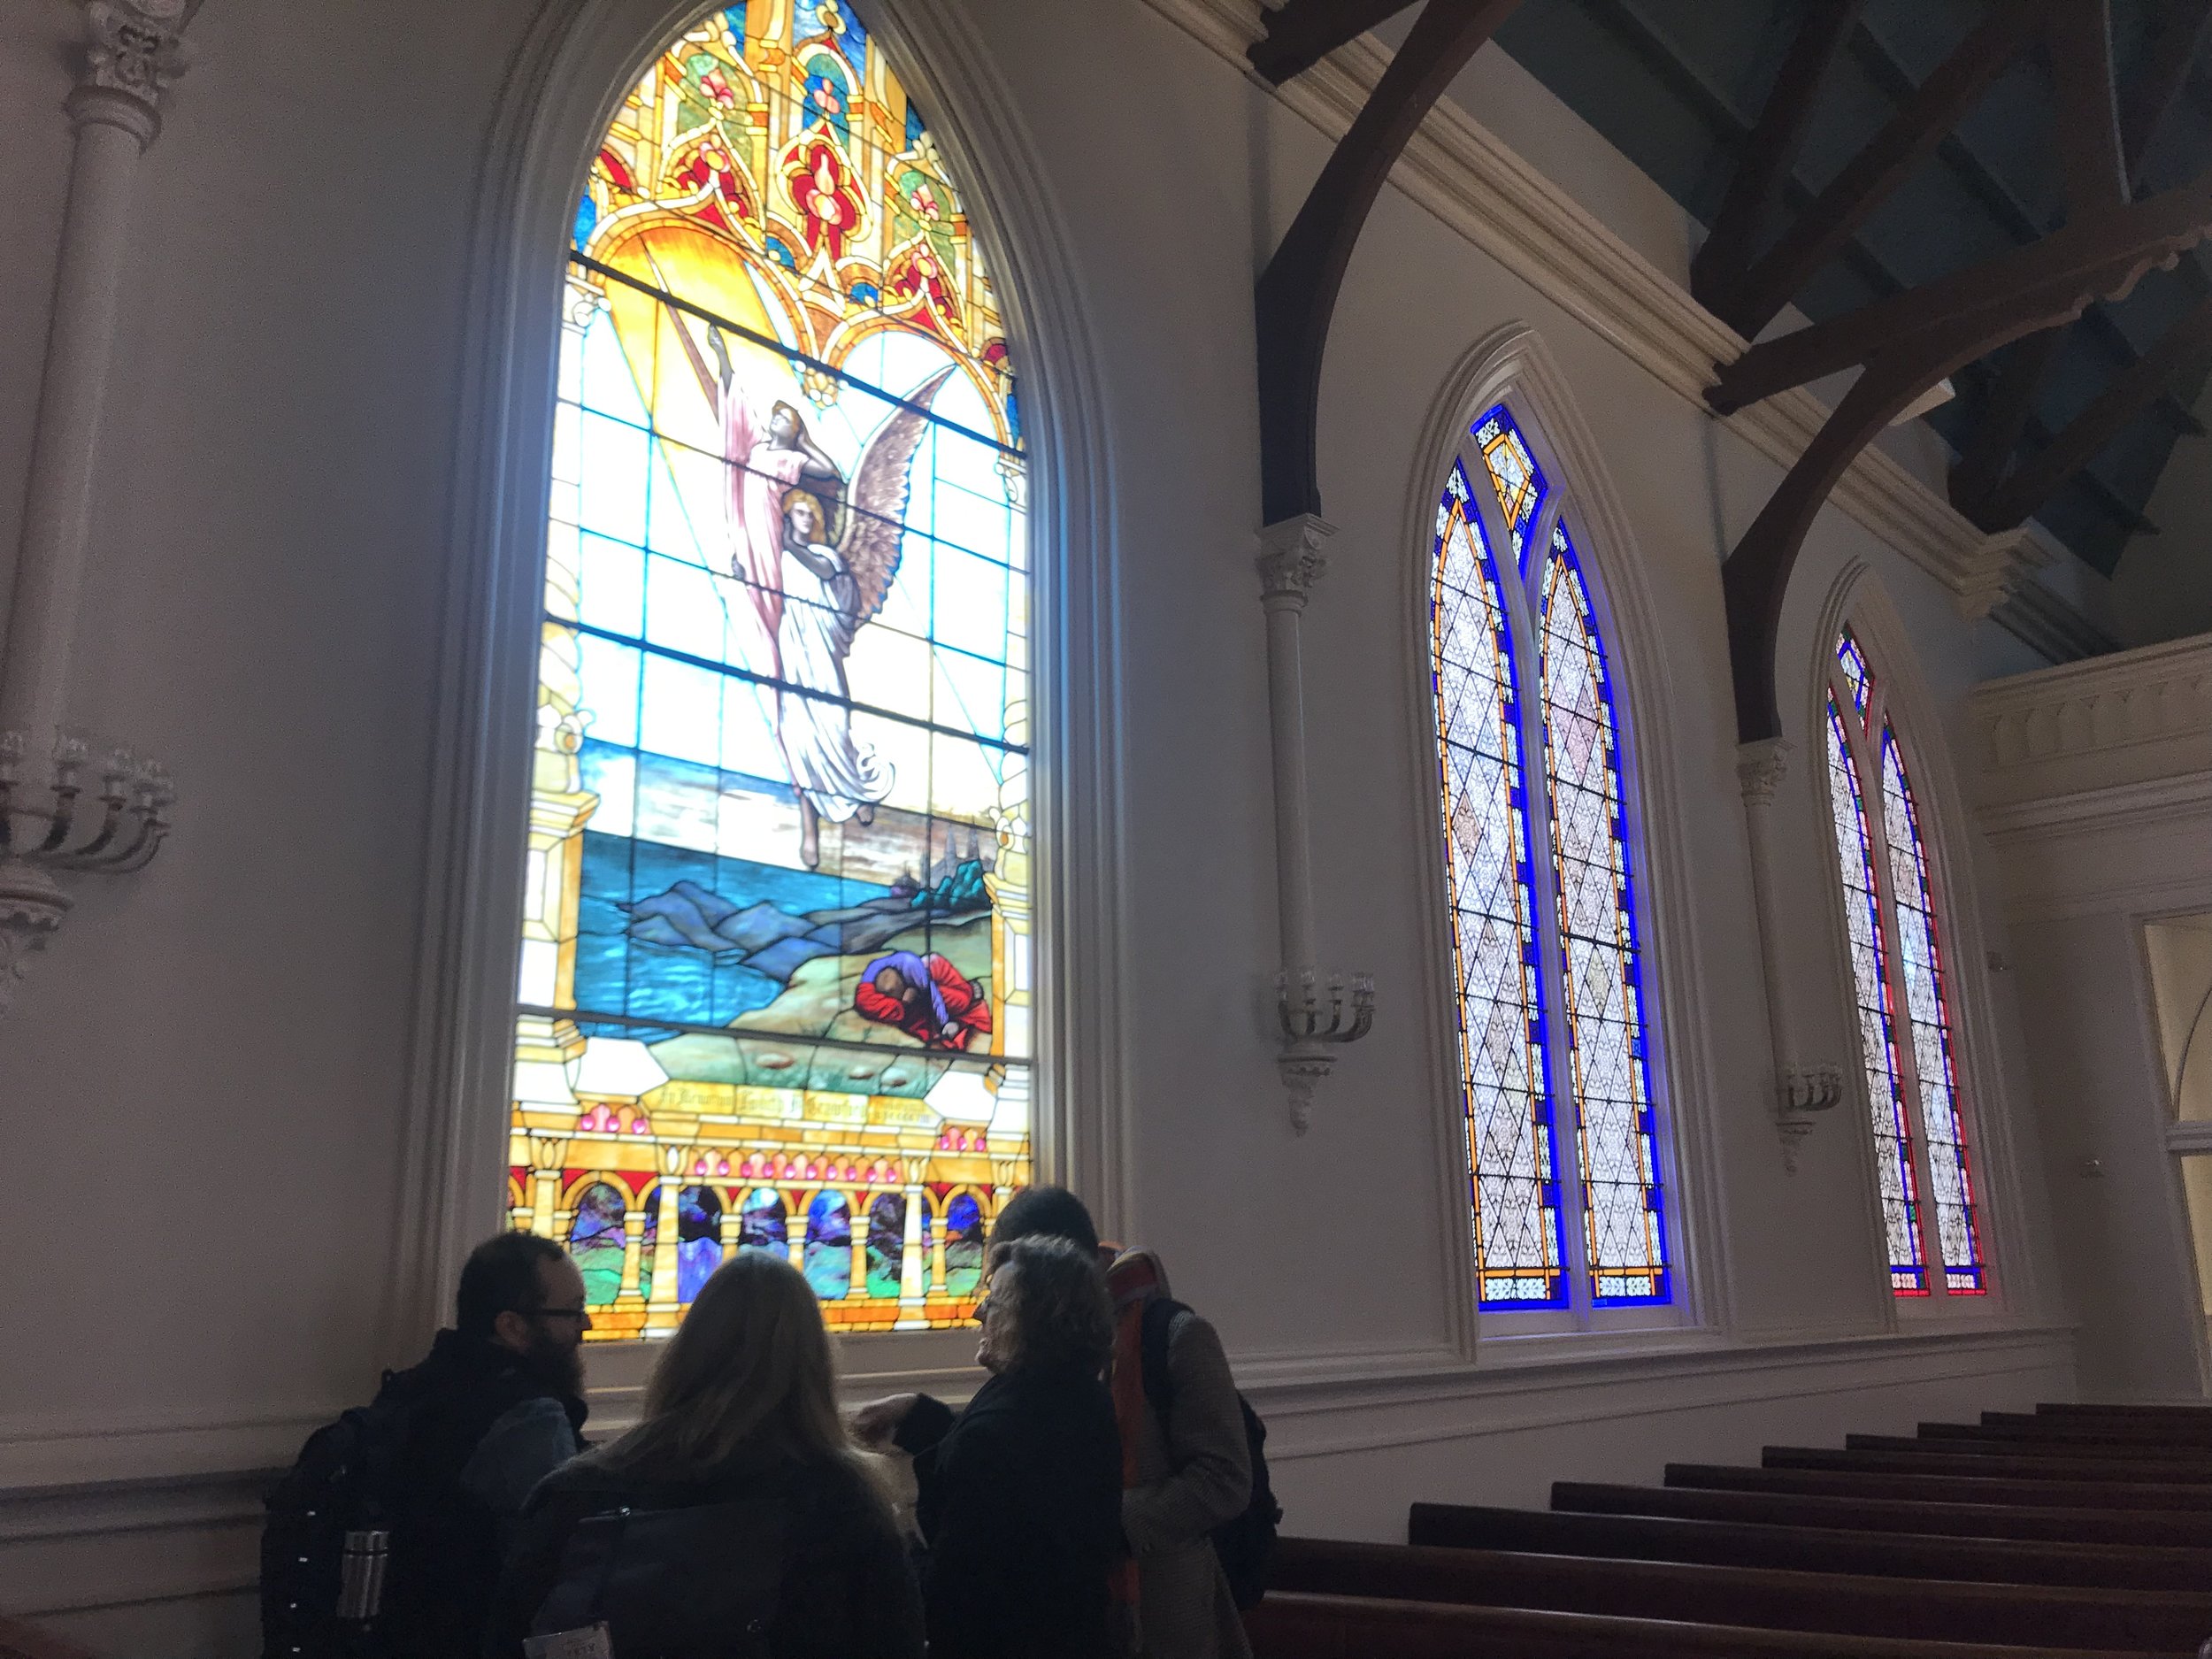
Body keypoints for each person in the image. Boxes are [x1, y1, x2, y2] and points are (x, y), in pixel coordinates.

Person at [485, 1252, 923, 1659]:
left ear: (683, 1353)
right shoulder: (846, 1506)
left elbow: (507, 1638)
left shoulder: (574, 1494)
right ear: (815, 1366)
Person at [994, 1187, 1254, 1659]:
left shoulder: (1176, 1336)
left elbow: (1225, 1479)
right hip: (1071, 1604)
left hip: (1162, 1604)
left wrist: (1106, 1522)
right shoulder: (1043, 1343)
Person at [320, 1233, 591, 1657]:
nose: (585, 1326)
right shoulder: (530, 1418)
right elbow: (557, 1573)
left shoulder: (414, 1388)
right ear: (512, 1326)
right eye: (572, 1313)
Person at [855, 1236, 1125, 1659]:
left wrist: (896, 1539)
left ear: (1034, 1321)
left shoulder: (999, 1434)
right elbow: (1011, 1457)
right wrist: (918, 1414)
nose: (979, 1312)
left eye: (994, 1303)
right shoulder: (1077, 1392)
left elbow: (950, 1599)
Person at [854, 949, 992, 1049]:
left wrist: (944, 1022)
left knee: (938, 965)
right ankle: (969, 992)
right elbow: (899, 1010)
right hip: (916, 1002)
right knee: (958, 1000)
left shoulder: (906, 966)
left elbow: (931, 992)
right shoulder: (868, 999)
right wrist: (906, 1002)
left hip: (926, 969)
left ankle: (968, 991)